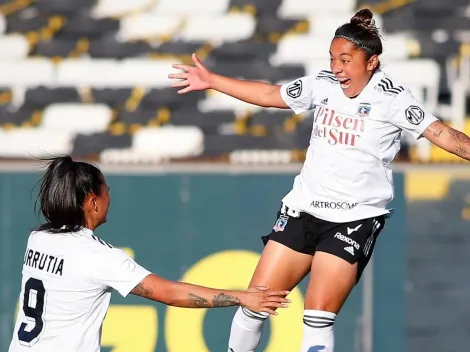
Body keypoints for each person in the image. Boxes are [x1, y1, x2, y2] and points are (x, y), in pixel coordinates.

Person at [168, 8, 470, 352]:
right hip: (303, 210)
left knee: (317, 316)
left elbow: (442, 134)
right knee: (253, 305)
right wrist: (212, 81)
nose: (336, 68)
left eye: (345, 60)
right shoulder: (323, 85)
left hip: (353, 219)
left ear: (371, 63)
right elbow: (270, 94)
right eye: (332, 59)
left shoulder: (393, 98)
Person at [8, 156, 290, 352]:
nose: (110, 199)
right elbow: (170, 292)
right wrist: (243, 297)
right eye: (107, 192)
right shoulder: (98, 257)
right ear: (93, 202)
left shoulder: (39, 239)